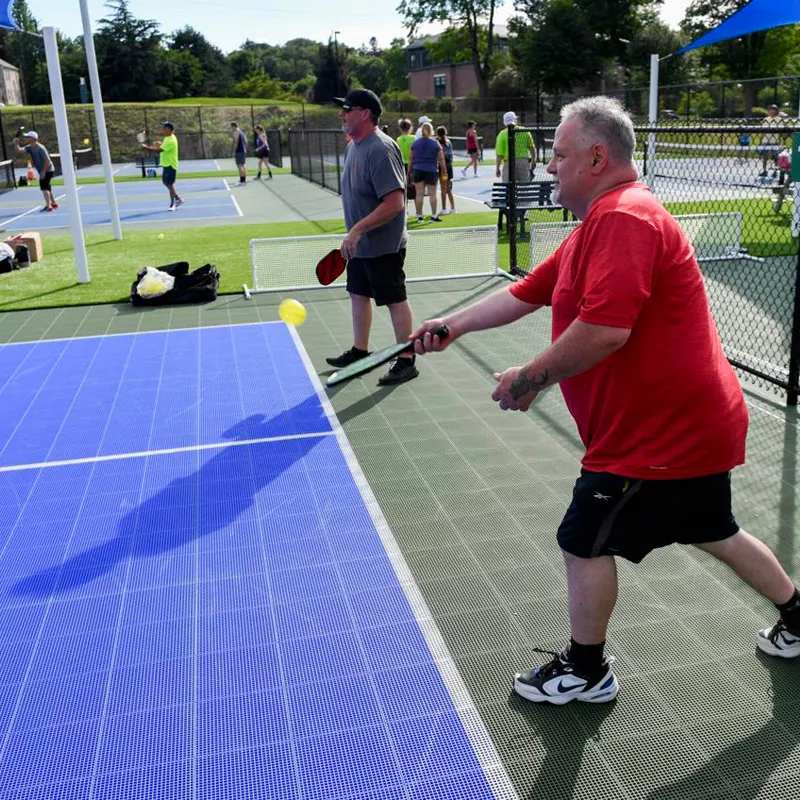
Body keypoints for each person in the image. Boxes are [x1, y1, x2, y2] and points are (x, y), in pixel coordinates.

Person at [411, 96, 800, 705]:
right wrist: (452, 325)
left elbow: (605, 330)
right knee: (715, 529)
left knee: (583, 537)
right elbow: (529, 292)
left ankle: (587, 671)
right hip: (682, 428)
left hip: (659, 436)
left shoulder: (625, 217)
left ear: (597, 156)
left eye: (560, 156)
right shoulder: (599, 221)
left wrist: (528, 379)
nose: (550, 168)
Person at [325, 89, 419, 386]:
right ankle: (360, 352)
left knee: (394, 299)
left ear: (365, 113)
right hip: (360, 244)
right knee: (358, 294)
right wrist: (355, 234)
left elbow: (394, 203)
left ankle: (406, 359)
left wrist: (357, 229)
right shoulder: (354, 145)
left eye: (347, 109)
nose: (342, 114)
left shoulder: (381, 148)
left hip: (383, 245)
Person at [141, 121, 183, 211]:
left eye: (164, 128)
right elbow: (163, 147)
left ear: (169, 129)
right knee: (166, 182)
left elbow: (159, 151)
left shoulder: (170, 140)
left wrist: (146, 147)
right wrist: (160, 144)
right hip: (166, 164)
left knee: (169, 184)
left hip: (170, 165)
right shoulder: (168, 138)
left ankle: (173, 204)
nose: (163, 129)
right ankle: (177, 198)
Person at [409, 122, 446, 223]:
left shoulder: (415, 143)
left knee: (419, 194)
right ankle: (434, 216)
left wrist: (408, 172)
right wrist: (444, 171)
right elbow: (441, 159)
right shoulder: (435, 143)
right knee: (432, 194)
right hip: (431, 170)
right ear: (431, 130)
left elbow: (411, 159)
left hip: (418, 170)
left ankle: (419, 216)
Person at [14, 131, 57, 212]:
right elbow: (19, 150)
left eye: (28, 137)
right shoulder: (30, 147)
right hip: (43, 170)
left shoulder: (40, 148)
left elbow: (47, 160)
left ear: (33, 139)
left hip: (48, 169)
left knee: (44, 188)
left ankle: (49, 206)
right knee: (47, 187)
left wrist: (43, 172)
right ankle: (53, 203)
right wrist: (16, 142)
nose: (26, 138)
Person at [495, 111, 535, 182]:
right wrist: (533, 160)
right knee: (524, 185)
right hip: (523, 160)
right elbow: (532, 148)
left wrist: (497, 168)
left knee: (508, 186)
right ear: (515, 120)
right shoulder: (524, 131)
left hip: (509, 162)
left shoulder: (501, 134)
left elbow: (499, 155)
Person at [757, 104, 788, 177]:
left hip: (774, 141)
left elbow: (780, 131)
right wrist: (761, 141)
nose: (772, 111)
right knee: (765, 157)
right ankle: (765, 171)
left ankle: (775, 171)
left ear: (776, 111)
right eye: (770, 109)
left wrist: (779, 141)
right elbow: (763, 131)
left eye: (773, 110)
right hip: (765, 141)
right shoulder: (765, 119)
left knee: (775, 158)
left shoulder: (779, 119)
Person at [396, 118, 416, 213]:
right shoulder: (413, 138)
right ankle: (418, 212)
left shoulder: (399, 139)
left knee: (404, 188)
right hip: (412, 165)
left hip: (401, 165)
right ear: (410, 127)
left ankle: (405, 210)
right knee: (415, 187)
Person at [436, 125, 456, 214]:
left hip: (442, 167)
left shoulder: (437, 143)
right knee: (448, 189)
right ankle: (453, 208)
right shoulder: (449, 142)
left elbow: (439, 157)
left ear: (437, 134)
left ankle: (444, 209)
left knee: (443, 189)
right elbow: (451, 156)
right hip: (449, 167)